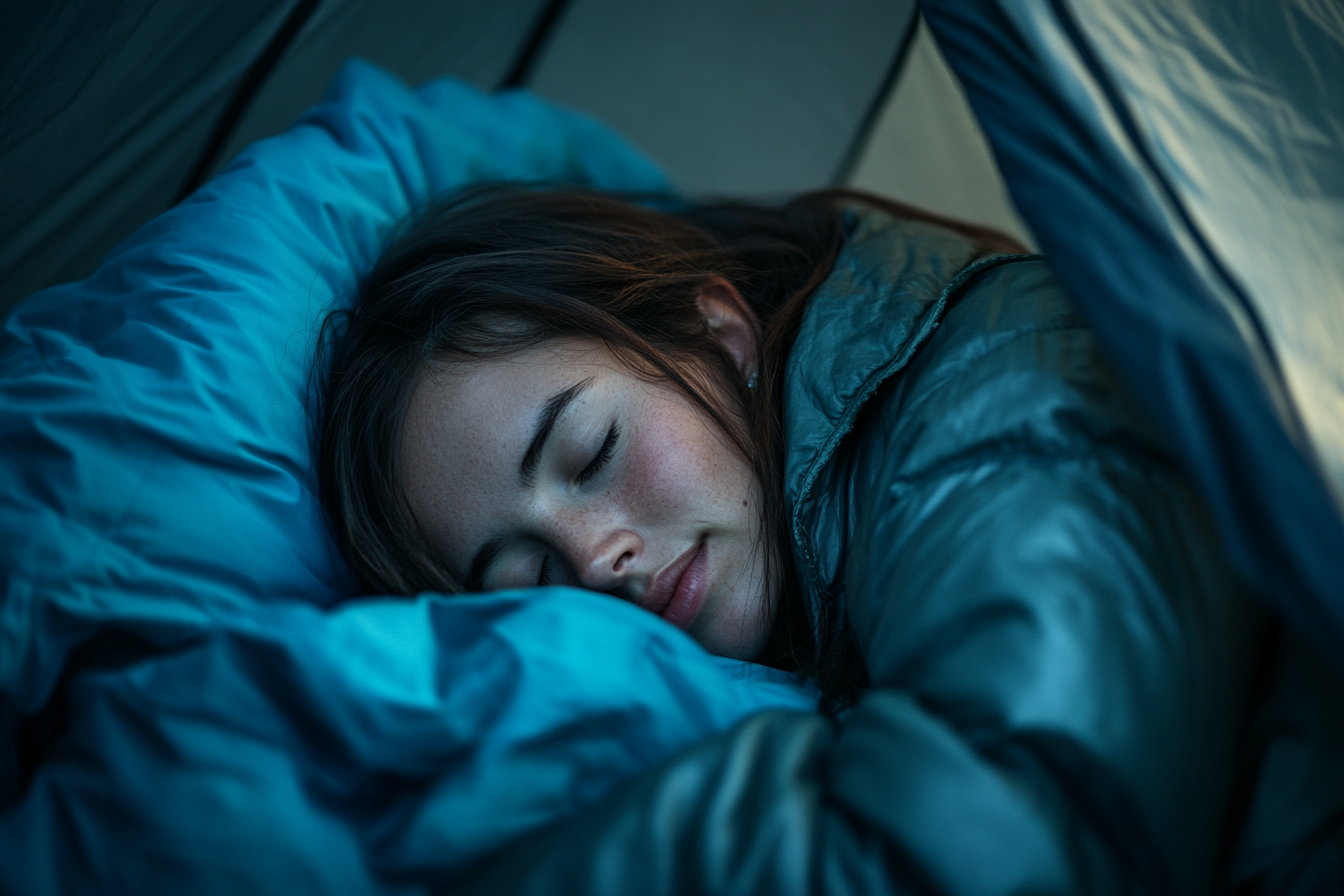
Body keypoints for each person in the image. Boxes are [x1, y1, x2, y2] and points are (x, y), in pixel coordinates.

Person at [318, 184, 1344, 893]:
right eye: (527, 574)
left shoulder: (997, 385)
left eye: (589, 450)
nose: (594, 560)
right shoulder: (821, 561)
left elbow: (1002, 853)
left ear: (721, 335)